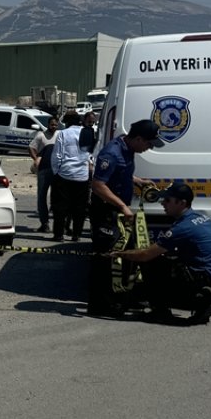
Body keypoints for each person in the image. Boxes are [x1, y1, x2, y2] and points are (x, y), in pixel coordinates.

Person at [109, 183, 211, 325]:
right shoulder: (202, 219)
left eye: (167, 200)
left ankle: (162, 311)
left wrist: (120, 254)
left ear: (182, 203)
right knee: (164, 260)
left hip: (201, 285)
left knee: (149, 262)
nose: (162, 203)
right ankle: (203, 304)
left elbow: (145, 255)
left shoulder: (182, 228)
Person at [88, 118, 164, 316]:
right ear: (138, 138)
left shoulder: (128, 149)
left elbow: (119, 173)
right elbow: (98, 185)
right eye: (148, 144)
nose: (149, 148)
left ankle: (125, 298)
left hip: (120, 210)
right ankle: (100, 304)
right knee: (105, 257)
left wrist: (137, 180)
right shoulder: (111, 153)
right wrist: (122, 205)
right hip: (106, 211)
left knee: (129, 254)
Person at [50, 112, 90, 242]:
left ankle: (59, 235)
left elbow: (57, 155)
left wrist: (56, 172)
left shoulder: (63, 133)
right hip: (82, 176)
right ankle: (76, 234)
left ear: (67, 123)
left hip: (65, 174)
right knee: (80, 208)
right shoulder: (88, 133)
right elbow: (92, 154)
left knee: (60, 207)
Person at [29, 116, 59, 233]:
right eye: (52, 125)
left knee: (57, 198)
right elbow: (31, 148)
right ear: (48, 124)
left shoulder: (59, 135)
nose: (54, 127)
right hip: (43, 170)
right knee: (42, 197)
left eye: (56, 125)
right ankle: (44, 223)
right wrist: (36, 159)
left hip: (56, 170)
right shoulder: (41, 135)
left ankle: (60, 225)